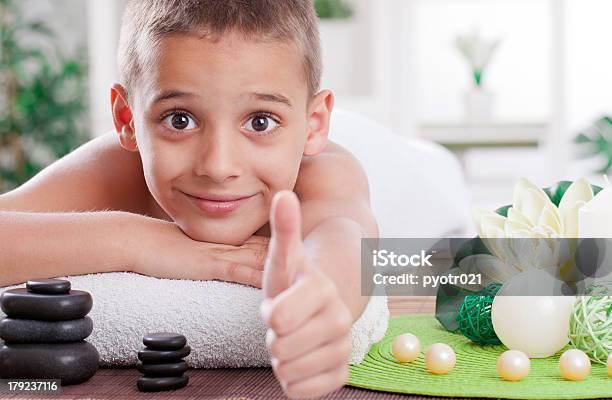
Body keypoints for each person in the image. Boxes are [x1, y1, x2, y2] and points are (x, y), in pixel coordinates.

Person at [0, 1, 378, 398]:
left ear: (313, 124)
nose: (217, 166)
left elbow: (348, 238)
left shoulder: (325, 173)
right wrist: (135, 240)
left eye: (260, 121)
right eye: (179, 119)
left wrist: (321, 301)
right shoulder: (115, 168)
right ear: (127, 120)